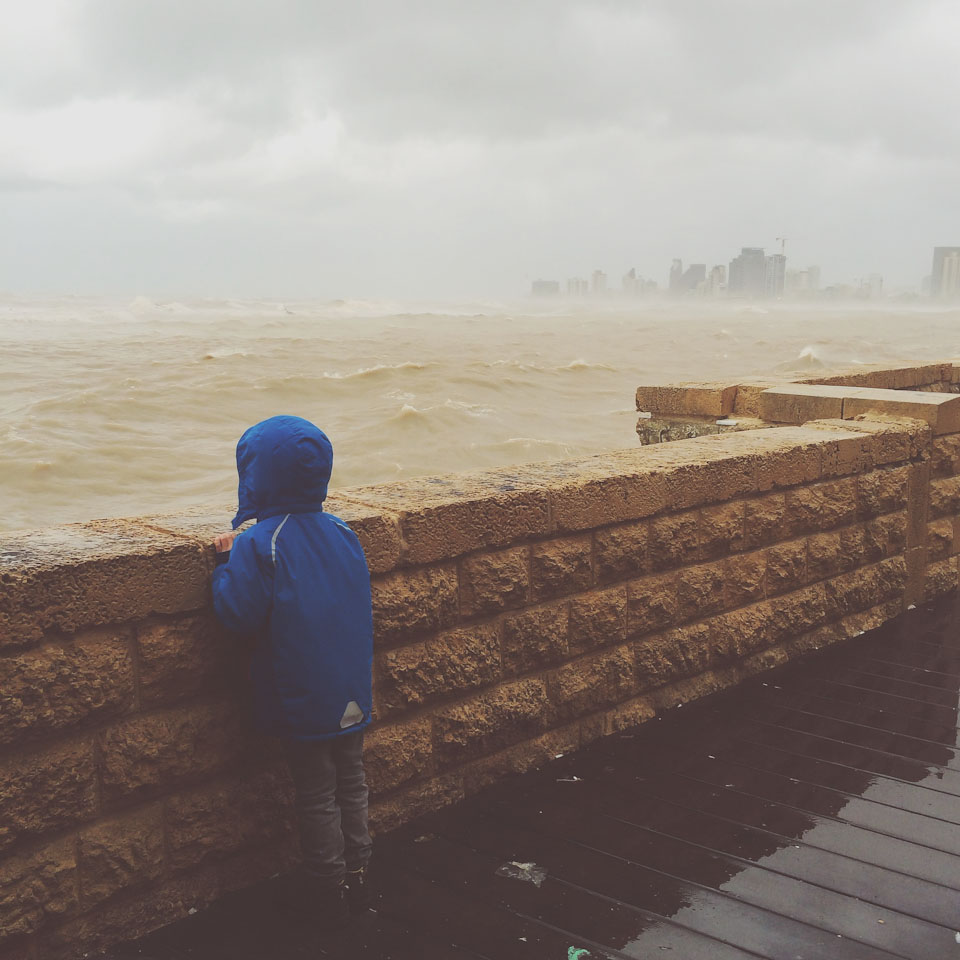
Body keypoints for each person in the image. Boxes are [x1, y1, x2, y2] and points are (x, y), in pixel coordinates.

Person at [210, 415, 373, 930]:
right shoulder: (344, 531)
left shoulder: (262, 543)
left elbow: (237, 614)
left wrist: (222, 565)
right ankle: (361, 869)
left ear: (256, 475)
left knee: (316, 793)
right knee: (351, 781)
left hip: (303, 694)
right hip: (351, 689)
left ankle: (328, 888)